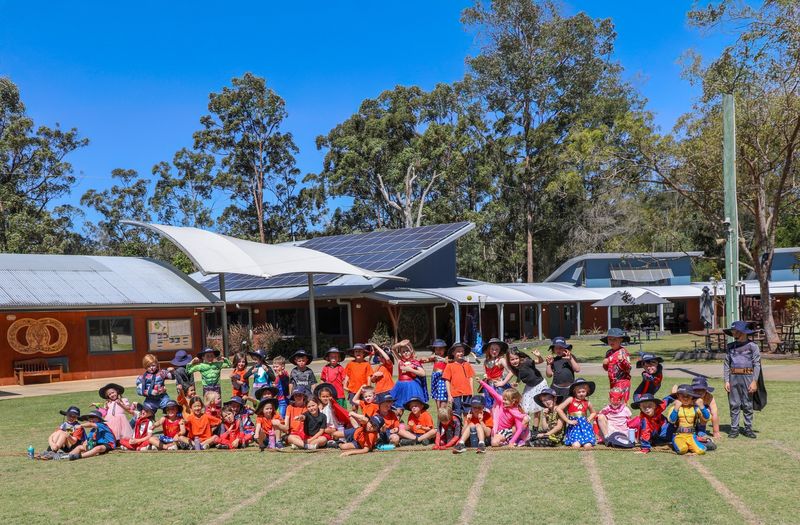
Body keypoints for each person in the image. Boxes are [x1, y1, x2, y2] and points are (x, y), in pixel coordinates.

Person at [723, 321, 761, 439]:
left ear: (743, 332)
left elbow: (757, 364)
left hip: (748, 378)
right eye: (732, 331)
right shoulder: (730, 346)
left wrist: (754, 381)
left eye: (735, 331)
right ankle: (734, 429)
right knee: (734, 404)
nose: (733, 333)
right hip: (733, 377)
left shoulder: (753, 346)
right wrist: (726, 380)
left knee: (747, 404)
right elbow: (726, 364)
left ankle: (748, 429)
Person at [479, 379, 529, 447]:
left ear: (513, 401)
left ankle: (512, 440)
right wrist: (482, 382)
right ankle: (506, 441)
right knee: (493, 442)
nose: (503, 401)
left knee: (494, 443)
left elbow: (519, 428)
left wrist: (512, 442)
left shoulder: (516, 412)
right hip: (499, 430)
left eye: (505, 400)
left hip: (508, 431)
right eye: (503, 399)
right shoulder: (502, 402)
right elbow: (492, 392)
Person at [665, 384, 710, 455]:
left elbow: (707, 418)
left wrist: (702, 406)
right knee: (683, 449)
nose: (685, 398)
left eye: (688, 396)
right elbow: (671, 420)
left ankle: (697, 442)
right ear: (678, 396)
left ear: (692, 397)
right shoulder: (674, 408)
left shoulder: (695, 408)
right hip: (678, 435)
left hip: (691, 436)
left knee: (701, 450)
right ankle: (687, 445)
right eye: (682, 396)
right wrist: (676, 408)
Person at [389, 340, 427, 415]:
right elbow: (393, 349)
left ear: (411, 351)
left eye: (407, 351)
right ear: (400, 353)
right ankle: (397, 422)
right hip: (400, 386)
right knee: (399, 410)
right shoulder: (400, 360)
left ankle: (414, 421)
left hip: (412, 387)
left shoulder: (415, 362)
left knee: (414, 407)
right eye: (403, 352)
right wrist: (399, 344)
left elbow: (423, 373)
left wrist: (410, 369)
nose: (405, 353)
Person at [506, 346, 547, 418]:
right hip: (529, 386)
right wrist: (517, 383)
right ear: (509, 360)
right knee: (524, 407)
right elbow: (521, 375)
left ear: (519, 357)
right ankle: (525, 423)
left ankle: (534, 425)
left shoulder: (526, 361)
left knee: (537, 409)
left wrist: (539, 356)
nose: (515, 361)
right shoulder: (514, 368)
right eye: (512, 359)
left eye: (516, 358)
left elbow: (540, 361)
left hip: (539, 385)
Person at [556, 378, 597, 448]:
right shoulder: (570, 399)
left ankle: (586, 444)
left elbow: (593, 412)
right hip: (574, 427)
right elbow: (559, 409)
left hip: (585, 427)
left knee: (588, 445)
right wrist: (568, 421)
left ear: (587, 391)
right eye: (579, 392)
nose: (581, 393)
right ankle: (575, 442)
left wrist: (589, 418)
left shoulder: (588, 402)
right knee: (576, 445)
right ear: (575, 392)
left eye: (583, 391)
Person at [443, 342, 475, 417]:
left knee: (468, 412)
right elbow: (447, 381)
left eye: (462, 351)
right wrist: (449, 395)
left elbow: (470, 378)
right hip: (455, 394)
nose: (461, 353)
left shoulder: (467, 364)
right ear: (453, 353)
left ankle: (466, 424)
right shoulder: (449, 365)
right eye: (458, 351)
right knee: (457, 413)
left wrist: (472, 392)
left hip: (467, 393)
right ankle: (458, 424)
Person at [479, 338, 511, 410]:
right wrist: (484, 388)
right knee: (489, 407)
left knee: (500, 405)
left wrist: (503, 383)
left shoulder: (501, 360)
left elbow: (511, 372)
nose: (494, 351)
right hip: (488, 387)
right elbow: (486, 375)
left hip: (498, 387)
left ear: (500, 350)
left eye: (496, 349)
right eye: (492, 349)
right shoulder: (486, 361)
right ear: (488, 350)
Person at [601, 328, 632, 402]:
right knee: (613, 402)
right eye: (610, 339)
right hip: (613, 382)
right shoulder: (609, 352)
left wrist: (622, 361)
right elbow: (607, 369)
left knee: (621, 402)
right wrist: (605, 364)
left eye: (614, 339)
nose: (612, 341)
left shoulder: (623, 352)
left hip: (622, 382)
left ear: (620, 340)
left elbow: (628, 368)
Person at [690, 376, 721, 441]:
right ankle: (690, 428)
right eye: (696, 390)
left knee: (706, 411)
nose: (699, 392)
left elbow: (714, 414)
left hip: (702, 415)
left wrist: (716, 431)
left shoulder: (709, 397)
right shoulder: (688, 396)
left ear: (706, 390)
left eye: (702, 390)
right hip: (689, 415)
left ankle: (701, 429)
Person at [343, 344, 373, 409]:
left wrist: (368, 388)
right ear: (354, 353)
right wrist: (345, 385)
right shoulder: (350, 364)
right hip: (353, 389)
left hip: (363, 389)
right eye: (356, 351)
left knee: (365, 407)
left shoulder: (367, 364)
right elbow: (347, 375)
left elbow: (369, 377)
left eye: (360, 351)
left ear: (363, 353)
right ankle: (355, 415)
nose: (358, 353)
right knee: (354, 408)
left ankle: (366, 416)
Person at [424, 339, 450, 410]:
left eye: (441, 349)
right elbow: (424, 360)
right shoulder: (434, 358)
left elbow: (449, 361)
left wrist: (442, 359)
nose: (438, 351)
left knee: (443, 400)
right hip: (435, 380)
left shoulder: (446, 357)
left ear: (444, 349)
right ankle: (439, 415)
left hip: (443, 379)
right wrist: (429, 358)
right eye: (436, 349)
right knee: (437, 400)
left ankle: (443, 413)